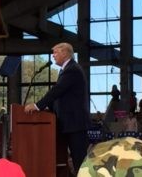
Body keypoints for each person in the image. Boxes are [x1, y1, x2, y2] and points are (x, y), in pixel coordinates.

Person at [24, 42, 91, 174]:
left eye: (55, 52)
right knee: (65, 162)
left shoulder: (72, 69)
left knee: (79, 162)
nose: (53, 56)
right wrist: (48, 109)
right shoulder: (66, 70)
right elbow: (61, 97)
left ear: (65, 53)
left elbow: (57, 91)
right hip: (67, 124)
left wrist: (38, 106)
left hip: (75, 125)